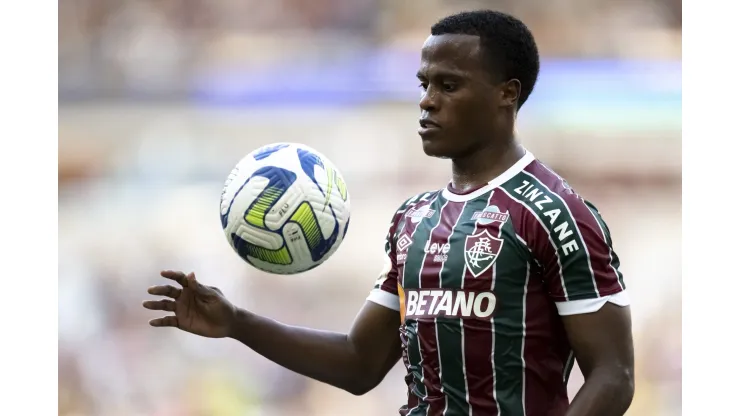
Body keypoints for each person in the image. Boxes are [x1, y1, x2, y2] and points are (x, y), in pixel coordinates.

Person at [143, 10, 635, 416]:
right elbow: (361, 363)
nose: (426, 102)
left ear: (507, 93)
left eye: (449, 85)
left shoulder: (554, 213)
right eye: (424, 84)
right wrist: (237, 323)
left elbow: (614, 375)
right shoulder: (414, 220)